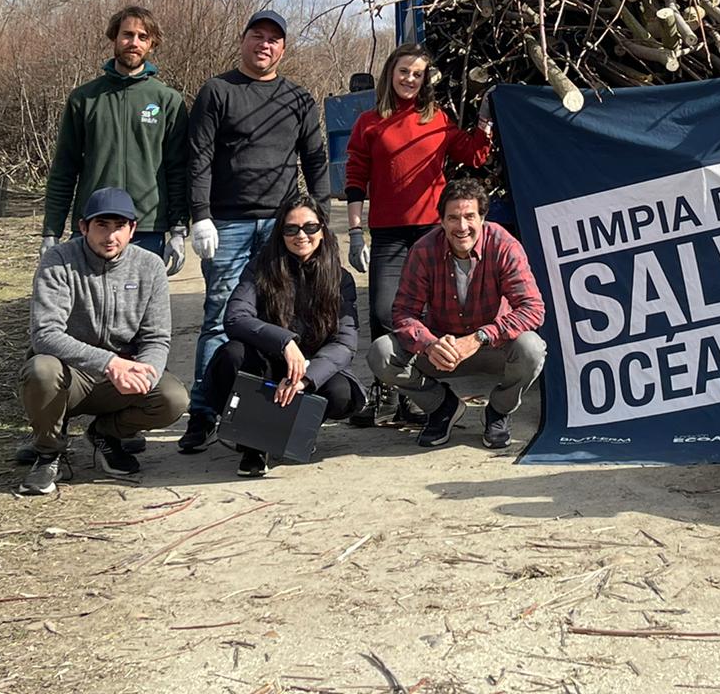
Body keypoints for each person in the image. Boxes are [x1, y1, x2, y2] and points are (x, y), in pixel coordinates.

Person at [179, 8, 332, 452]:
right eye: (257, 36)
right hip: (226, 222)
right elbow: (199, 158)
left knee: (279, 314)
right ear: (243, 40)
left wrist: (317, 214)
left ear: (283, 48)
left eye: (273, 39)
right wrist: (200, 214)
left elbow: (316, 159)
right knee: (220, 319)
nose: (264, 45)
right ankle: (204, 412)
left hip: (283, 225)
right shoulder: (218, 91)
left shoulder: (298, 99)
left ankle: (268, 406)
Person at [344, 43, 493, 427]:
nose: (410, 79)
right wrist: (356, 231)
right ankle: (384, 387)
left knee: (426, 313)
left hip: (431, 231)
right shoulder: (370, 122)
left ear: (425, 80)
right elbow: (356, 177)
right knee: (383, 311)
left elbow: (473, 155)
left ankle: (416, 392)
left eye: (417, 73)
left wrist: (486, 119)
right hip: (389, 233)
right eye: (403, 71)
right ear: (390, 73)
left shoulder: (438, 119)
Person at [16, 187, 188, 496]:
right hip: (69, 374)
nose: (110, 236)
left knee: (172, 397)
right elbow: (45, 334)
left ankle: (105, 435)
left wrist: (144, 372)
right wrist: (109, 363)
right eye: (101, 226)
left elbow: (157, 337)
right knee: (41, 370)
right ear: (83, 227)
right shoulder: (58, 261)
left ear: (132, 229)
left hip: (120, 378)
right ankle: (47, 452)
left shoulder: (150, 267)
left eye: (119, 226)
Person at [369, 178, 546, 450]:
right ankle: (442, 407)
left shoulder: (503, 245)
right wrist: (429, 344)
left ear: (483, 217)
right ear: (440, 220)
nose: (462, 227)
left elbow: (532, 309)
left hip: (492, 347)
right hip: (442, 350)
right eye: (453, 218)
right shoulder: (423, 250)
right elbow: (404, 312)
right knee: (381, 353)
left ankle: (498, 411)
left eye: (469, 217)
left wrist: (480, 337)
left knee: (532, 348)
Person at [202, 192, 367, 477]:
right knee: (232, 355)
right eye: (291, 229)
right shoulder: (259, 268)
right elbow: (235, 318)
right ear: (280, 233)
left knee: (342, 393)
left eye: (310, 227)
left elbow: (345, 343)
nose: (301, 235)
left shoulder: (341, 278)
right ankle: (253, 443)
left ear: (323, 230)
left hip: (310, 367)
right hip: (266, 363)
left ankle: (287, 429)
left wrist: (306, 377)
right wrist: (285, 342)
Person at [41, 5, 189, 270]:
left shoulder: (167, 101)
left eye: (143, 37)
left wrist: (178, 229)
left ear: (152, 44)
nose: (134, 43)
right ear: (114, 38)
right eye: (127, 34)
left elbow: (177, 169)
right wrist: (51, 231)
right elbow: (64, 168)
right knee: (87, 307)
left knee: (139, 307)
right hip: (93, 225)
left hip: (146, 227)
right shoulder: (84, 99)